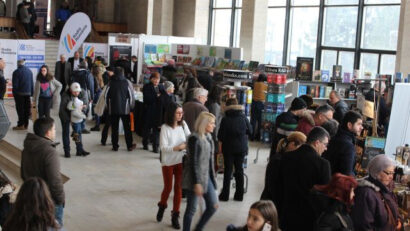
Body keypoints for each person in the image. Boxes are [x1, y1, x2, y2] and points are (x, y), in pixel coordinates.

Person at [277, 127, 331, 231]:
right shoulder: (323, 165)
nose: (326, 148)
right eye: (325, 144)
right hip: (309, 218)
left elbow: (279, 186)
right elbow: (324, 196)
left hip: (287, 214)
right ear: (317, 143)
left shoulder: (287, 157)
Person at [20, 117, 65, 225]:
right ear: (48, 132)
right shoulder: (49, 151)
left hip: (32, 197)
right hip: (49, 200)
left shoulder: (27, 147)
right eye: (54, 129)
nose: (55, 131)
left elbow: (23, 173)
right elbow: (55, 180)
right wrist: (60, 199)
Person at [156, 103, 190, 229]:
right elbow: (163, 148)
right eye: (178, 113)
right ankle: (162, 206)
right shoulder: (165, 128)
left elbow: (190, 138)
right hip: (168, 162)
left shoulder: (183, 125)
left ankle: (175, 215)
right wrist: (178, 147)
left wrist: (185, 146)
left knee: (179, 189)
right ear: (172, 114)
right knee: (168, 187)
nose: (181, 115)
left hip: (181, 160)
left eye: (182, 113)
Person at [182, 112, 218, 231]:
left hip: (206, 177)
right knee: (191, 209)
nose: (214, 125)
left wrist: (213, 180)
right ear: (204, 124)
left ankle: (198, 228)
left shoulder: (209, 137)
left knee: (213, 205)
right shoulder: (194, 138)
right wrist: (197, 183)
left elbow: (209, 162)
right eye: (212, 123)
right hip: (194, 178)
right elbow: (194, 162)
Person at [351, 155, 402, 231]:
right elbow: (363, 225)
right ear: (376, 171)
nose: (391, 177)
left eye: (392, 173)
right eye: (389, 173)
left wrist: (398, 220)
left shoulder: (386, 189)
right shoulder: (366, 193)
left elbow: (394, 210)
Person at [218, 98, 252, 202]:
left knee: (228, 171)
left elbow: (220, 136)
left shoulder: (225, 119)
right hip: (241, 147)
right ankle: (239, 195)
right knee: (239, 170)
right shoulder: (243, 117)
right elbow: (250, 131)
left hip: (228, 148)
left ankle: (225, 195)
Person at [260, 131, 306, 204]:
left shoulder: (285, 159)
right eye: (301, 147)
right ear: (292, 144)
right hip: (271, 203)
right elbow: (273, 187)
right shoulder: (278, 161)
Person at [323, 111, 363, 176]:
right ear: (349, 125)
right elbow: (347, 173)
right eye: (359, 124)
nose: (362, 127)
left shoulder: (336, 136)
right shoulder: (348, 146)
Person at [105, 67, 136, 151]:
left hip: (113, 109)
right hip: (125, 109)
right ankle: (129, 145)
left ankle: (115, 146)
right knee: (127, 128)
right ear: (123, 73)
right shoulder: (127, 82)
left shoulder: (110, 82)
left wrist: (108, 107)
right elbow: (131, 96)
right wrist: (131, 107)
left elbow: (106, 96)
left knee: (114, 128)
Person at [60, 82, 90, 157]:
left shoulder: (83, 93)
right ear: (70, 90)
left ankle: (79, 150)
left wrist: (80, 114)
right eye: (74, 92)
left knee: (77, 133)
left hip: (77, 116)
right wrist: (69, 119)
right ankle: (67, 151)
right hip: (65, 115)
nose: (76, 93)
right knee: (66, 133)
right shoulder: (65, 95)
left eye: (78, 91)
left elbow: (85, 105)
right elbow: (63, 109)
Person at [142, 72, 165, 153]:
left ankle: (155, 147)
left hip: (158, 111)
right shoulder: (147, 86)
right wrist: (156, 96)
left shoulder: (161, 86)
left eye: (158, 79)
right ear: (151, 79)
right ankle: (145, 144)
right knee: (147, 129)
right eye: (154, 79)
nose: (156, 81)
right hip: (149, 110)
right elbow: (147, 99)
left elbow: (164, 96)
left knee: (156, 130)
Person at [12, 59, 33, 130]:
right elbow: (32, 83)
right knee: (27, 109)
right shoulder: (30, 71)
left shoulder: (16, 72)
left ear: (18, 64)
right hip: (28, 94)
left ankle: (21, 125)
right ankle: (26, 125)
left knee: (20, 110)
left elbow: (15, 85)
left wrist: (14, 94)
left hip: (19, 94)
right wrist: (31, 93)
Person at [251, 74, 267, 141]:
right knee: (260, 121)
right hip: (261, 104)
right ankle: (258, 136)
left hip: (254, 103)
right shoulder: (265, 85)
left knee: (253, 121)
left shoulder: (255, 84)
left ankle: (251, 136)